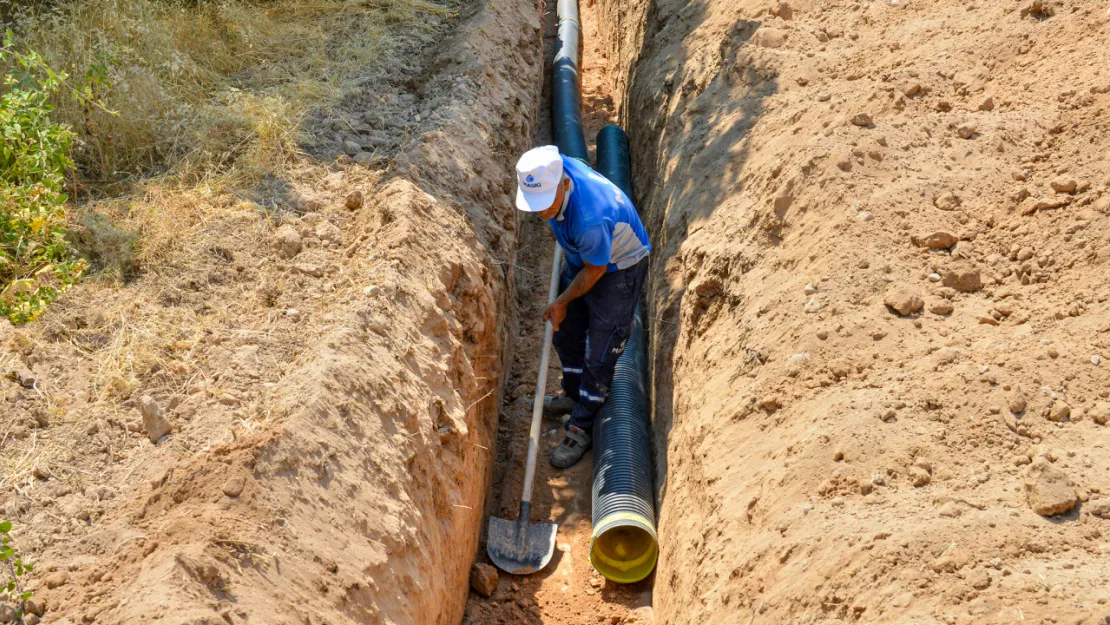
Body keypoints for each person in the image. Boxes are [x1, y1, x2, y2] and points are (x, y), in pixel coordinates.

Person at [514, 145, 651, 469]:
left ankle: (582, 425)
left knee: (600, 352)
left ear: (563, 184)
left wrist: (561, 301)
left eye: (546, 204)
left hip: (618, 268)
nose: (542, 212)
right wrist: (564, 306)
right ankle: (572, 394)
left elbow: (596, 271)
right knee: (566, 333)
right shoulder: (559, 168)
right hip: (585, 257)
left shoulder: (590, 217)